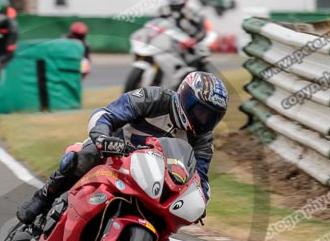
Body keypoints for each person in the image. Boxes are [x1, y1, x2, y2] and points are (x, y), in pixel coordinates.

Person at [17, 71, 228, 224]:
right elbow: (107, 114)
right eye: (201, 110)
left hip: (154, 179)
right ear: (185, 96)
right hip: (115, 154)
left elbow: (200, 179)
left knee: (167, 218)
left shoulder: (203, 139)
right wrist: (102, 138)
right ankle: (43, 198)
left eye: (211, 116)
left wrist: (200, 202)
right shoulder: (154, 98)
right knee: (83, 156)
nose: (204, 119)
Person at [159, 0, 217, 69]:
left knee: (193, 62)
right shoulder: (165, 12)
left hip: (193, 40)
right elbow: (157, 22)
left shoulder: (191, 12)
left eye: (178, 5)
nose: (175, 8)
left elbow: (201, 28)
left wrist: (195, 40)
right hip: (176, 40)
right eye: (173, 6)